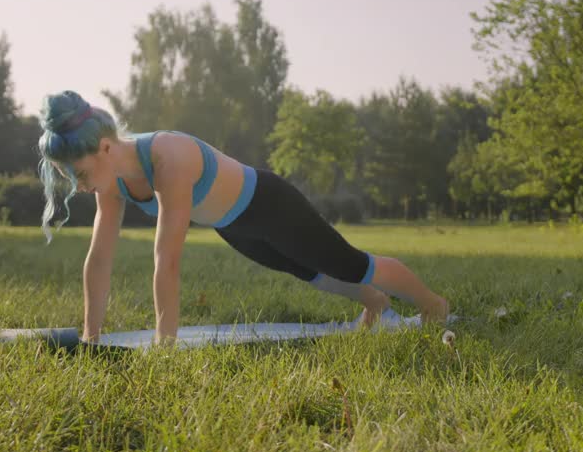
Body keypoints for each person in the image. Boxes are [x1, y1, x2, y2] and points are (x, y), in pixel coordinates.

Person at [37, 90, 449, 344]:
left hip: (270, 204)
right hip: (233, 225)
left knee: (346, 262)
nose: (79, 186)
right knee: (307, 272)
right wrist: (91, 336)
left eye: (81, 174)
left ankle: (433, 304)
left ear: (106, 148)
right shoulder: (110, 183)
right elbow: (99, 259)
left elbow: (167, 259)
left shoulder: (168, 157)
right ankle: (374, 304)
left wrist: (165, 345)